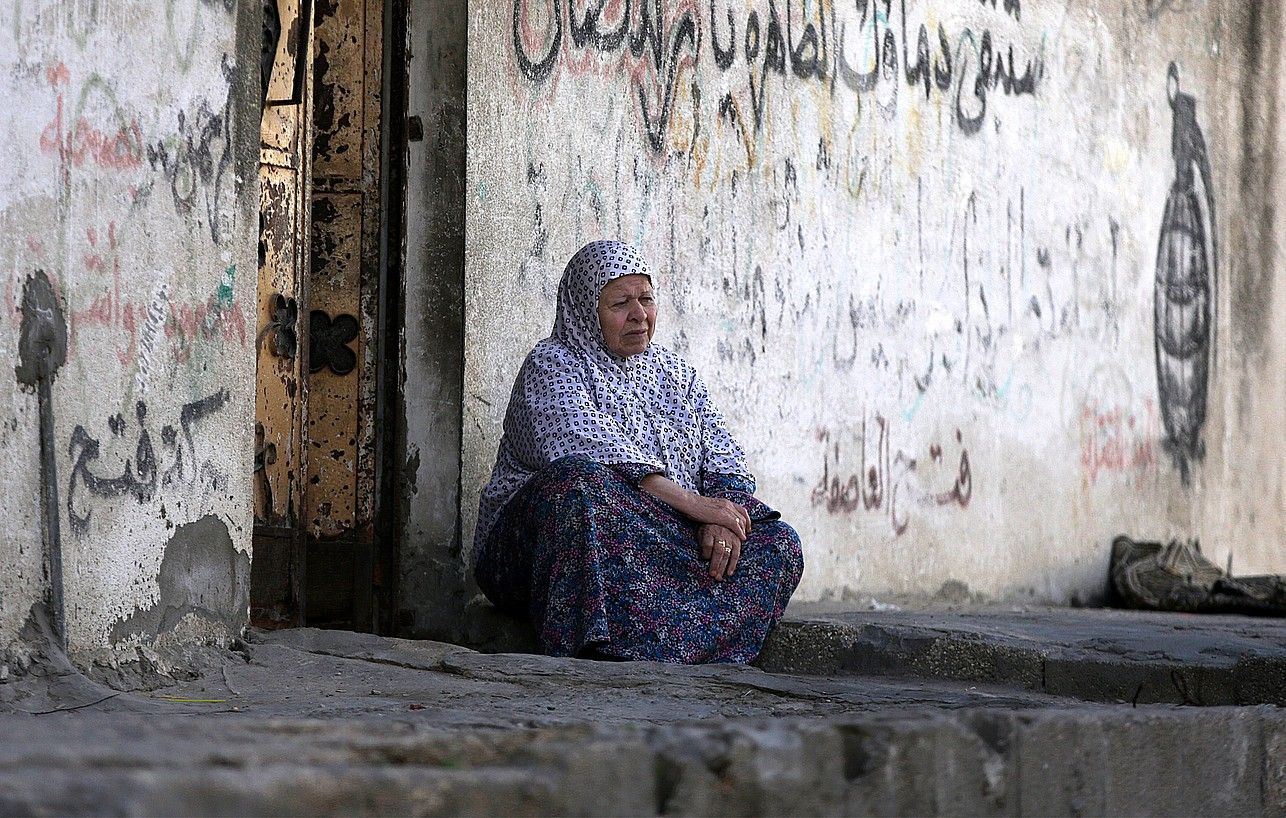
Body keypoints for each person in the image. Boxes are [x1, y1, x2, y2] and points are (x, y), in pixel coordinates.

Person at [473, 240, 803, 663]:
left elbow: (725, 460)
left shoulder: (676, 373)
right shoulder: (552, 364)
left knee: (778, 541)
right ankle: (593, 650)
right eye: (620, 303)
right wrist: (698, 507)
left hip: (653, 539)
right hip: (538, 551)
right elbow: (595, 450)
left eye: (646, 299)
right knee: (580, 483)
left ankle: (679, 651)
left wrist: (725, 518)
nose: (639, 315)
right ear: (585, 309)